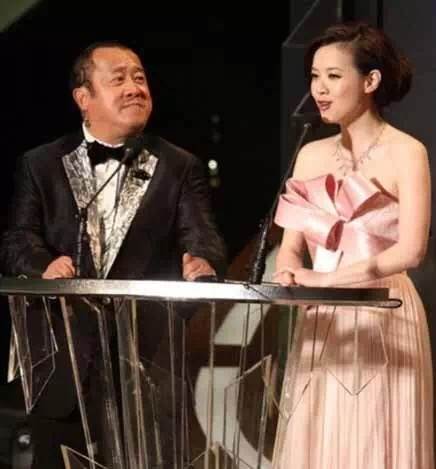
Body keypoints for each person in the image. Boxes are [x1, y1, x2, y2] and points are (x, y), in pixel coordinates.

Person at [0, 41, 226, 468]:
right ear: (83, 98)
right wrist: (44, 265)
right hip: (63, 360)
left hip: (147, 359)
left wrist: (202, 262)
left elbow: (202, 235)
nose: (134, 88)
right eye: (118, 79)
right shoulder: (40, 163)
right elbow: (18, 239)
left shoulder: (178, 165)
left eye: (139, 77)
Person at [271, 22, 434, 468]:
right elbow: (291, 245)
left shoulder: (407, 152)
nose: (319, 89)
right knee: (318, 436)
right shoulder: (311, 154)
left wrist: (326, 280)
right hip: (322, 316)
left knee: (373, 438)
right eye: (314, 76)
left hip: (383, 312)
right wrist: (288, 272)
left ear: (371, 80)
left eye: (333, 76)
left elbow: (411, 251)